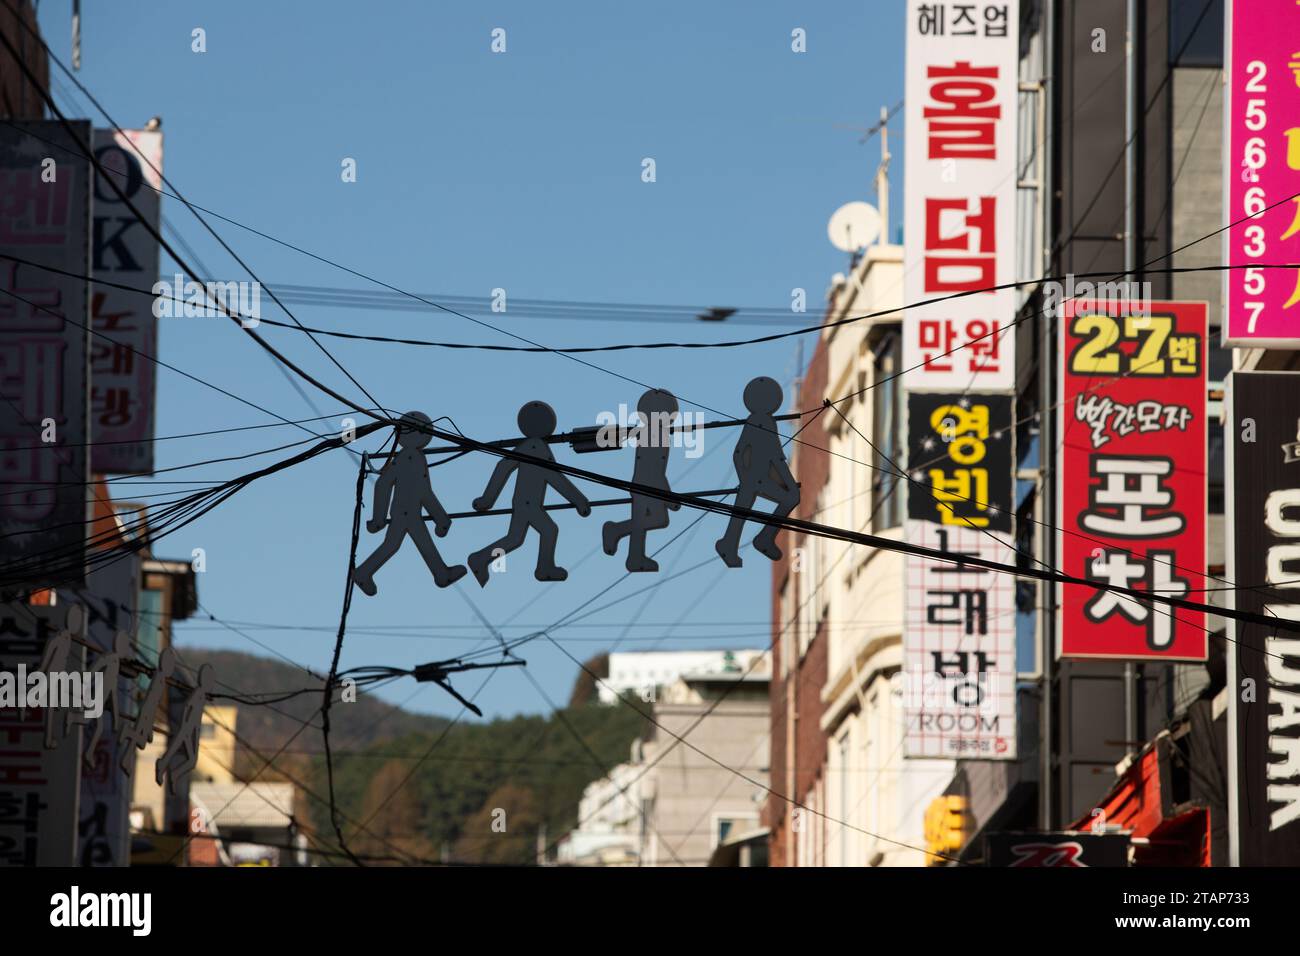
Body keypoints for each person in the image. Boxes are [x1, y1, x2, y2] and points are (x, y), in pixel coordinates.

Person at [467, 400, 592, 585]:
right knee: (548, 531)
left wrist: (488, 499)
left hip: (525, 502)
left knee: (516, 538)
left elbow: (504, 467)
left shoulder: (530, 446)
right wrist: (578, 501)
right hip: (528, 503)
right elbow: (554, 477)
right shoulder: (535, 447)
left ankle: (481, 559)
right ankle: (544, 568)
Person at [354, 411, 466, 596]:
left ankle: (364, 573)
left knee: (394, 545)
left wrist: (379, 518)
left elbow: (389, 485)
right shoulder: (411, 458)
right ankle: (440, 574)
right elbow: (420, 491)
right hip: (406, 511)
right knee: (401, 544)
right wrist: (441, 518)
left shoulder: (409, 457)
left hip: (406, 511)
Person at [715, 376, 800, 568]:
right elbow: (776, 457)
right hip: (757, 479)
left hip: (754, 479)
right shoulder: (765, 421)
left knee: (741, 511)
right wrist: (788, 481)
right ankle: (764, 537)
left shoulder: (756, 420)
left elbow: (739, 453)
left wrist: (744, 477)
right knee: (791, 497)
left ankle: (730, 543)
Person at [602, 388, 681, 572]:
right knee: (657, 519)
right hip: (647, 484)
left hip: (642, 483)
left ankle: (626, 545)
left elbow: (655, 470)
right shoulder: (657, 435)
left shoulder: (652, 433)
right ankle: (627, 547)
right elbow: (654, 470)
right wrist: (668, 497)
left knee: (655, 519)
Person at [156, 664, 214, 795]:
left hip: (190, 730)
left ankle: (169, 771)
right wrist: (187, 725)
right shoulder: (197, 694)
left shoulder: (201, 694)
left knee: (188, 759)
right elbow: (188, 706)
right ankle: (168, 770)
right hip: (187, 729)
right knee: (188, 758)